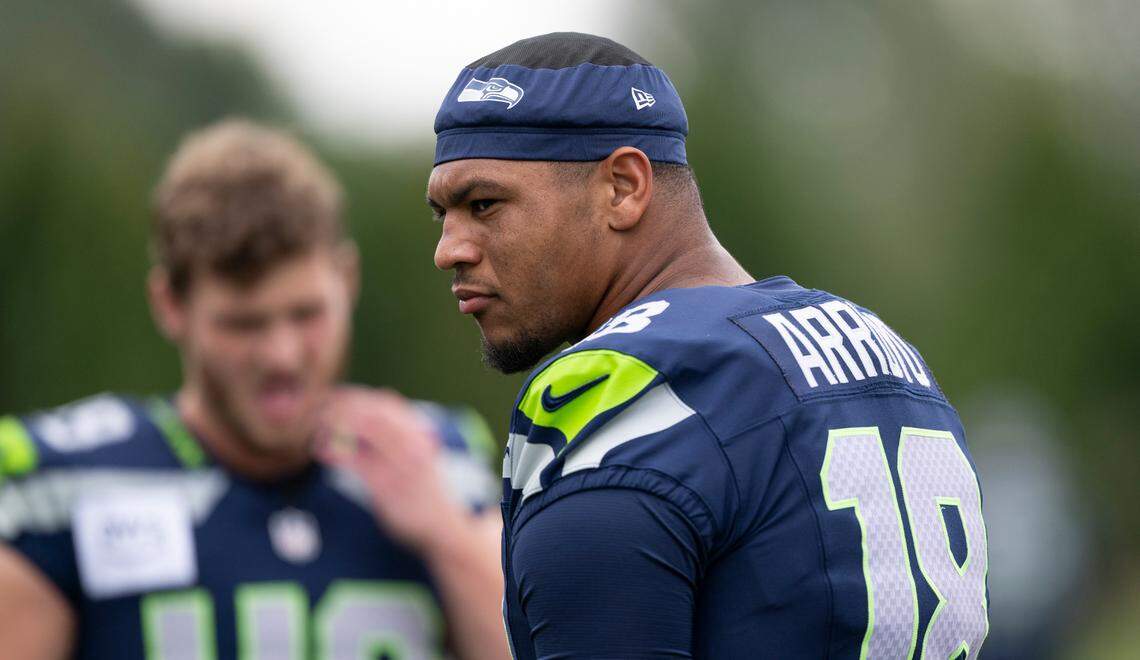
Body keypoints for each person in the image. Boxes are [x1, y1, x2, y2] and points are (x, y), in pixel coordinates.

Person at [428, 32, 989, 659]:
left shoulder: (615, 389)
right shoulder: (883, 350)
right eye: (442, 215)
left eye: (484, 204)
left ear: (622, 187)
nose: (449, 249)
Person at [0, 119, 508, 660]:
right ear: (171, 306)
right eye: (243, 324)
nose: (282, 355)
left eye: (306, 313)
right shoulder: (60, 483)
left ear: (348, 280)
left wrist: (447, 533)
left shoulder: (439, 459)